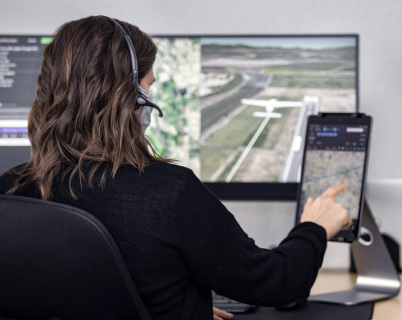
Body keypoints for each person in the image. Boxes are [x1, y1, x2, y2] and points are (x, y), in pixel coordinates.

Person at [0, 16, 352, 320]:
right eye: (148, 88)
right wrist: (314, 228)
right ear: (131, 100)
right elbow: (277, 282)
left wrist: (182, 307)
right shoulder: (170, 194)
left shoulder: (9, 192)